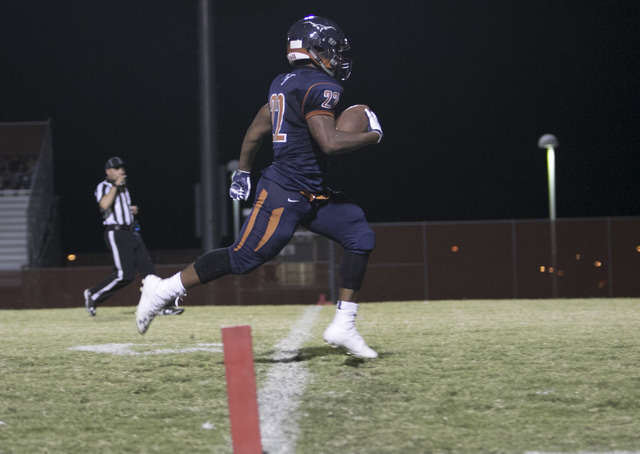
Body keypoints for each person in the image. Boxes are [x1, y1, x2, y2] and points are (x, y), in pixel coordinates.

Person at [135, 16, 383, 358]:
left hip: (313, 193)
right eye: (332, 51)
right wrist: (373, 135)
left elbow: (255, 130)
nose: (337, 58)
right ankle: (162, 290)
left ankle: (344, 324)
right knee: (243, 257)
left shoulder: (284, 83)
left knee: (359, 234)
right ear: (312, 51)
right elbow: (329, 144)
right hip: (285, 191)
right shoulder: (320, 87)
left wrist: (243, 172)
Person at [83, 157, 185, 317]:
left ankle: (160, 305)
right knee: (124, 275)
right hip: (116, 233)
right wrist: (116, 185)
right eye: (117, 168)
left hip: (131, 232)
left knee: (149, 273)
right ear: (108, 171)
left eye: (122, 168)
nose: (121, 171)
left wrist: (130, 209)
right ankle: (93, 295)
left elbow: (117, 207)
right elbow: (104, 204)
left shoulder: (123, 187)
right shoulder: (104, 186)